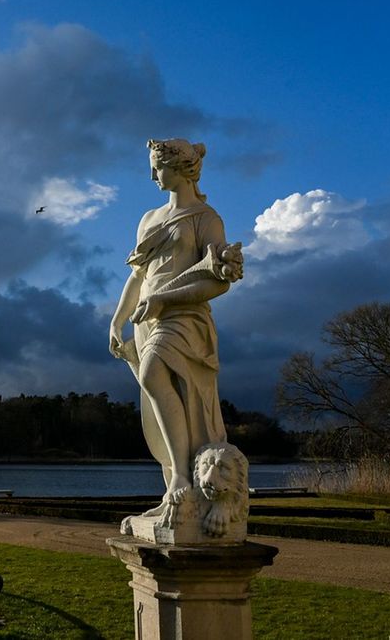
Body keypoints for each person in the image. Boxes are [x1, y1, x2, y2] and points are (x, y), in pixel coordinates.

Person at [108, 139, 243, 529]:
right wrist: (117, 321)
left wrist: (166, 300)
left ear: (182, 168)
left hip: (184, 316)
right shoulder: (149, 219)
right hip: (147, 318)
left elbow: (218, 281)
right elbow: (138, 277)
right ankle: (175, 494)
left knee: (153, 375)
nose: (153, 175)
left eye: (158, 167)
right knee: (160, 408)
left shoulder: (206, 218)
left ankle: (185, 480)